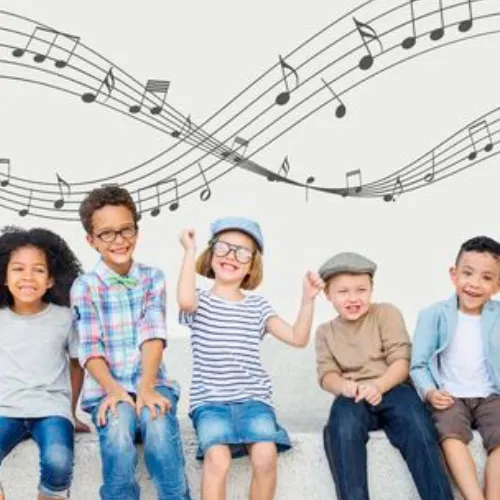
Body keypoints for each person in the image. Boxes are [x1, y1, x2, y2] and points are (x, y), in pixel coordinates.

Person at [177, 216, 323, 500]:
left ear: (252, 264)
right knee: (217, 459)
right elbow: (183, 301)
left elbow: (297, 337)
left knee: (265, 455)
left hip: (254, 401)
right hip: (211, 404)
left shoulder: (258, 306)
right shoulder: (198, 301)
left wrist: (308, 300)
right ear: (210, 254)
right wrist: (189, 251)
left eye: (242, 251)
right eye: (223, 248)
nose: (231, 256)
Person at [71, 186, 190, 500]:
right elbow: (90, 347)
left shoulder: (153, 277)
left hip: (152, 381)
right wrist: (114, 390)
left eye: (126, 229)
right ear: (91, 240)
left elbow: (153, 335)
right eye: (107, 233)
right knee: (119, 433)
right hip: (107, 390)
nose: (119, 240)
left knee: (159, 426)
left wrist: (147, 387)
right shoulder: (85, 286)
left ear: (137, 231)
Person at [316, 251, 453, 500]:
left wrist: (378, 385)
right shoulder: (325, 331)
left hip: (393, 387)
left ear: (371, 289)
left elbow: (401, 361)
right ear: (327, 294)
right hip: (354, 395)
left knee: (418, 426)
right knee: (342, 427)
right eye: (343, 291)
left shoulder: (385, 313)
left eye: (361, 290)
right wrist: (344, 386)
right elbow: (327, 374)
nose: (353, 298)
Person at [0, 226, 89, 500]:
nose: (28, 277)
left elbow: (77, 364)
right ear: (4, 276)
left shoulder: (65, 317)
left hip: (51, 410)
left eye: (38, 270)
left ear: (51, 279)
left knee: (58, 460)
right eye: (18, 269)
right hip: (6, 408)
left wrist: (70, 411)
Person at [411, 236, 500, 500]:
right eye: (467, 273)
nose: (474, 284)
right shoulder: (434, 314)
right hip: (449, 395)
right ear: (454, 274)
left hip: (491, 395)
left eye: (486, 277)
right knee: (450, 436)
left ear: (498, 284)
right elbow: (419, 363)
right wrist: (429, 392)